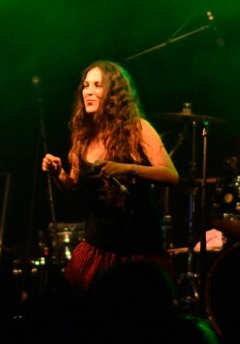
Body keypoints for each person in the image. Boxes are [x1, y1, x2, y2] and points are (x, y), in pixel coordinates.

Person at [41, 60, 178, 289]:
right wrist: (58, 173)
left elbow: (171, 176)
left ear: (114, 93)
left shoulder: (138, 128)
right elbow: (74, 185)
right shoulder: (84, 135)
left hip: (138, 248)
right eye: (86, 85)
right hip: (97, 245)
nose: (89, 92)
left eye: (97, 85)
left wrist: (127, 168)